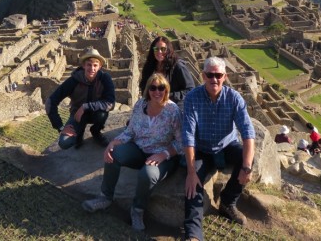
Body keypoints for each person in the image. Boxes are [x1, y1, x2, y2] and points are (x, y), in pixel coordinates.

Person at [82, 73, 182, 231]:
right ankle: (105, 197)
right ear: (148, 90)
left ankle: (137, 210)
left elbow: (181, 141)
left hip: (164, 156)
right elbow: (130, 132)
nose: (157, 92)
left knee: (147, 174)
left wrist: (164, 155)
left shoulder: (172, 111)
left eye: (161, 88)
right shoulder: (141, 105)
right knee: (113, 154)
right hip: (140, 149)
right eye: (153, 88)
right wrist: (113, 143)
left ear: (166, 90)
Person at [182, 56, 255, 241]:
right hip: (202, 148)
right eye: (210, 75)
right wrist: (191, 171)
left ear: (225, 76)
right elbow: (188, 135)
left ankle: (228, 202)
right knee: (193, 182)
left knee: (245, 159)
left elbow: (248, 132)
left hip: (226, 145)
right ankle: (194, 233)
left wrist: (247, 167)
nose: (214, 79)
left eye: (218, 75)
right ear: (203, 76)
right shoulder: (192, 98)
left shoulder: (233, 98)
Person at [45, 47, 115, 149]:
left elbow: (110, 103)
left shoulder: (105, 79)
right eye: (89, 65)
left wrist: (85, 106)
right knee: (64, 143)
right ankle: (79, 133)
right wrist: (60, 127)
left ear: (100, 66)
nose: (92, 68)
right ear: (83, 65)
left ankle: (95, 131)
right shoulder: (74, 80)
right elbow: (50, 102)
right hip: (77, 115)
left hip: (96, 113)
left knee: (102, 114)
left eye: (95, 65)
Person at [140, 36, 195, 108]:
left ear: (168, 50)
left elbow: (190, 90)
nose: (159, 52)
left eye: (163, 49)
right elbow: (143, 86)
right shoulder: (149, 67)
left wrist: (167, 95)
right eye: (156, 49)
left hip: (174, 106)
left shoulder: (178, 66)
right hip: (154, 106)